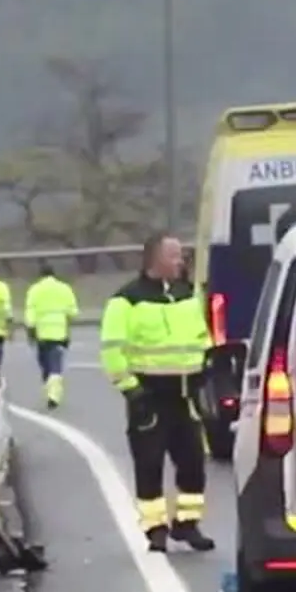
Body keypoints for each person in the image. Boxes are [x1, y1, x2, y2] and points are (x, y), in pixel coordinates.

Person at [100, 233, 216, 552]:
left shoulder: (186, 294)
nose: (181, 261)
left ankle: (187, 525)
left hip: (186, 395)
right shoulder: (126, 300)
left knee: (193, 464)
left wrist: (206, 367)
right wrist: (131, 391)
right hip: (149, 396)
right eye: (175, 256)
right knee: (149, 465)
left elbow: (200, 337)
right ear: (155, 260)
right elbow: (112, 351)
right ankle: (155, 528)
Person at [23, 262, 79, 408]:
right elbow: (73, 312)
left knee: (45, 365)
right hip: (60, 334)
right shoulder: (64, 289)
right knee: (56, 365)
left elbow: (30, 314)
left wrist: (30, 330)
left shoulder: (34, 290)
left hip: (42, 335)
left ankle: (52, 392)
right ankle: (53, 393)